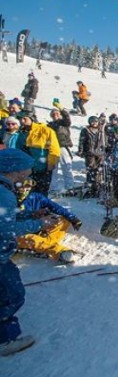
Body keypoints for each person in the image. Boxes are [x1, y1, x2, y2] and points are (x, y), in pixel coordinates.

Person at [0, 149, 43, 356]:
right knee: (12, 294)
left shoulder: (4, 189)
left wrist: (25, 214)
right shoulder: (4, 194)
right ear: (15, 169)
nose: (30, 171)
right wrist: (37, 223)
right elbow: (6, 228)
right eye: (28, 167)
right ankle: (4, 339)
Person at [15, 178, 82, 264]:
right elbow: (8, 220)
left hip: (38, 227)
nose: (25, 190)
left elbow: (54, 206)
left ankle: (41, 245)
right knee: (28, 239)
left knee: (63, 220)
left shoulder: (36, 197)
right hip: (20, 231)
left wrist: (72, 218)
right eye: (22, 187)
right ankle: (58, 251)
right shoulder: (8, 199)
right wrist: (31, 214)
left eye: (27, 187)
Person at [19, 111, 61, 197]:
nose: (22, 121)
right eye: (20, 119)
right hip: (28, 167)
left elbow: (54, 147)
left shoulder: (45, 130)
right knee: (28, 190)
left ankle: (41, 207)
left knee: (42, 189)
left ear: (32, 119)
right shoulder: (21, 132)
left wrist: (51, 163)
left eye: (25, 118)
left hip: (42, 165)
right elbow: (20, 149)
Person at [47, 108, 76, 194]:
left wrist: (62, 110)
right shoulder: (49, 125)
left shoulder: (63, 123)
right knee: (53, 169)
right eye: (53, 114)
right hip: (52, 148)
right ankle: (53, 188)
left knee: (67, 166)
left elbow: (67, 119)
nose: (55, 115)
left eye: (57, 114)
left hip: (62, 146)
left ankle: (70, 186)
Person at [77, 115, 106, 198]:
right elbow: (81, 141)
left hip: (100, 153)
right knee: (90, 170)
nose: (94, 123)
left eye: (96, 122)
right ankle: (90, 188)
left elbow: (105, 141)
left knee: (99, 171)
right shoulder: (86, 130)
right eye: (92, 121)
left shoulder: (101, 130)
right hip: (90, 153)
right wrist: (80, 150)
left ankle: (97, 188)